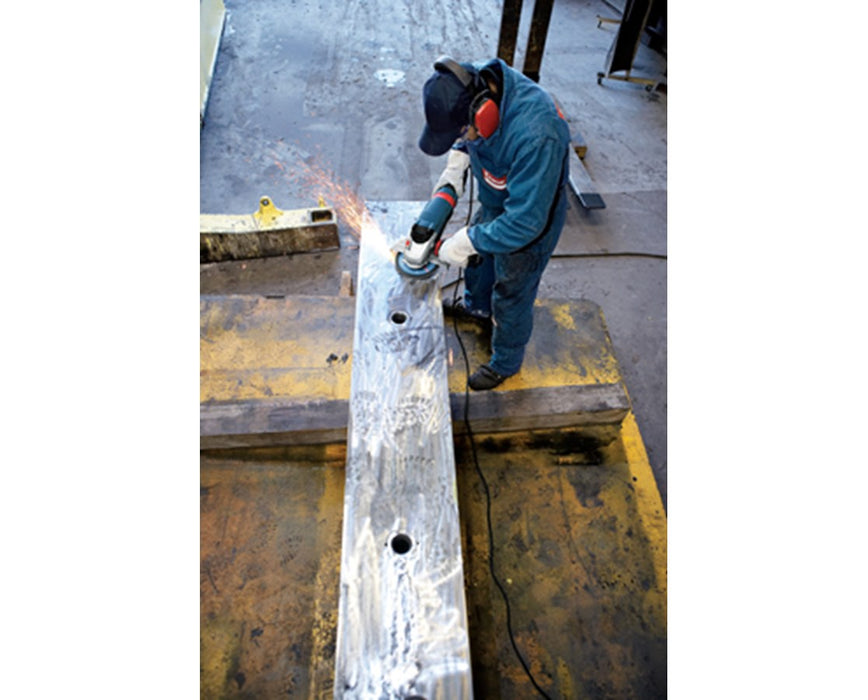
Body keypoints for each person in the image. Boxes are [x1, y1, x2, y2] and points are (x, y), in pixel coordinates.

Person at [418, 56, 571, 390]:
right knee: (479, 263)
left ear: (483, 114)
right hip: (496, 196)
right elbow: (465, 135)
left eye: (464, 132)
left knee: (512, 291)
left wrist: (466, 241)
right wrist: (457, 162)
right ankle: (477, 309)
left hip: (530, 218)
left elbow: (524, 223)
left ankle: (505, 362)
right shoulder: (472, 82)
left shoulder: (538, 134)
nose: (464, 137)